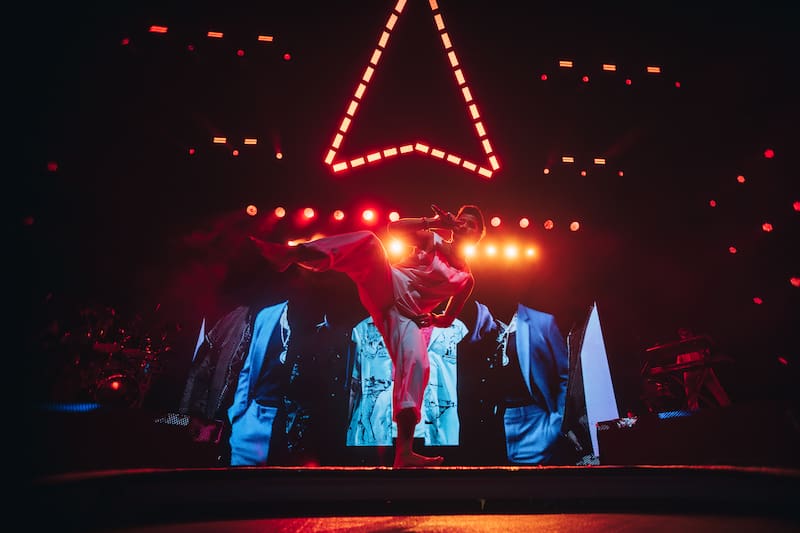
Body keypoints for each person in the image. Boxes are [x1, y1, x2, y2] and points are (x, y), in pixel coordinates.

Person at [249, 204, 485, 467]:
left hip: (405, 318)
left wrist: (434, 319)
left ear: (477, 236)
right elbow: (393, 229)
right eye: (461, 219)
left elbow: (449, 318)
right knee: (370, 242)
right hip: (386, 286)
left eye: (470, 224)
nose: (463, 224)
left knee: (418, 365)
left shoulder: (466, 279)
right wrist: (431, 221)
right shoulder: (433, 240)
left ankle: (404, 453)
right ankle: (293, 254)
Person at [676, 327, 731, 411]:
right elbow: (679, 363)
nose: (685, 336)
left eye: (687, 333)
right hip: (690, 372)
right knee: (691, 396)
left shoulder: (699, 341)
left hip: (703, 369)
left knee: (717, 391)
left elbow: (707, 355)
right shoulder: (681, 346)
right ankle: (695, 413)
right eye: (683, 335)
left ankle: (728, 408)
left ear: (691, 332)